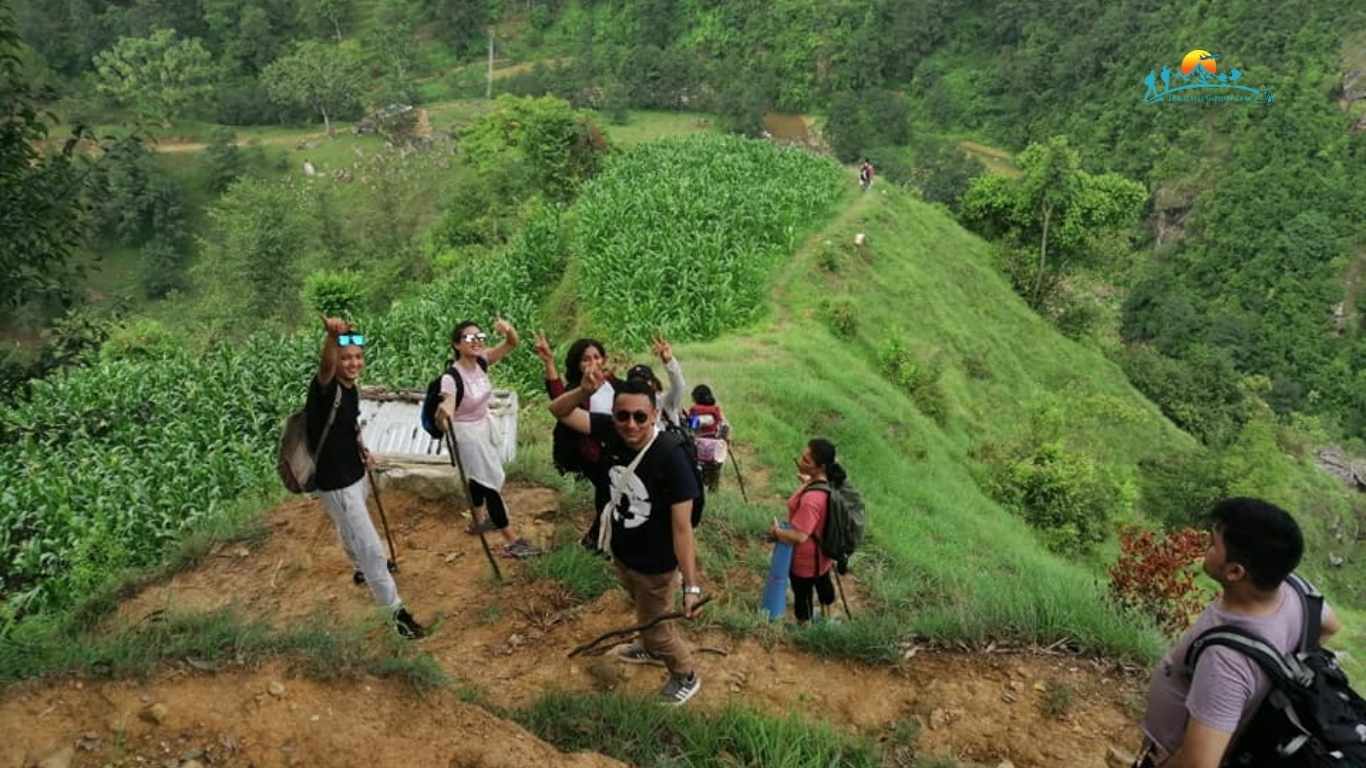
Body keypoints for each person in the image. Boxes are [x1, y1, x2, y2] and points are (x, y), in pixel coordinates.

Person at [1134, 497, 1344, 768]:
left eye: (1213, 544)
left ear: (1235, 572)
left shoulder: (1227, 662)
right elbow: (1330, 624)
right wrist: (1277, 678)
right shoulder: (1297, 590)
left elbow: (1199, 764)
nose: (1206, 546)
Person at [549, 368, 705, 705]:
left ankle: (685, 674)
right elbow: (559, 411)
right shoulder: (610, 430)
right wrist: (583, 391)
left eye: (640, 417)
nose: (630, 424)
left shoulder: (671, 457)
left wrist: (691, 586)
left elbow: (683, 528)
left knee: (657, 627)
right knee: (643, 608)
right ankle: (649, 646)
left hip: (656, 563)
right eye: (623, 416)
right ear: (613, 414)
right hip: (623, 552)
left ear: (654, 415)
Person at [307, 316, 424, 639]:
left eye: (358, 356)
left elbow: (349, 424)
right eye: (345, 358)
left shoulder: (350, 389)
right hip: (336, 481)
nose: (353, 363)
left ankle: (360, 570)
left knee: (350, 530)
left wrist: (362, 450)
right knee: (370, 546)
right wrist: (331, 339)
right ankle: (395, 613)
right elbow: (324, 368)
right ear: (335, 360)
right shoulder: (325, 387)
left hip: (355, 472)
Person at [436, 318, 538, 559]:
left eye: (480, 337)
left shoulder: (481, 361)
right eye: (469, 338)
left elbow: (511, 343)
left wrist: (508, 330)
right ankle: (512, 540)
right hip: (466, 435)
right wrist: (444, 415)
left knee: (478, 478)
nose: (476, 341)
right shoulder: (451, 377)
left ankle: (478, 520)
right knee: (490, 483)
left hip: (483, 427)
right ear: (457, 344)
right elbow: (447, 406)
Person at [768, 438, 841, 624]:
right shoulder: (827, 483)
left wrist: (777, 532)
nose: (800, 462)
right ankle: (827, 619)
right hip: (823, 554)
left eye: (806, 461)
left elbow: (799, 536)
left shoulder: (811, 500)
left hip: (805, 560)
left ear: (820, 467)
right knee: (823, 582)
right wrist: (808, 481)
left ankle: (804, 626)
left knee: (802, 594)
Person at [687, 384, 728, 492]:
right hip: (715, 449)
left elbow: (691, 427)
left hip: (698, 449)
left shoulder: (694, 410)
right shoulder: (716, 410)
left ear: (695, 398)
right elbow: (724, 427)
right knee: (714, 476)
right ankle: (713, 489)